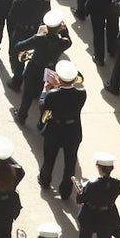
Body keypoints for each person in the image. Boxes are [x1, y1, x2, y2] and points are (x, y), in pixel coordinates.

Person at [37, 59, 87, 200]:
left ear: (58, 78)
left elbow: (42, 106)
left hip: (55, 130)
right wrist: (61, 85)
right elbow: (67, 96)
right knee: (70, 163)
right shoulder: (82, 93)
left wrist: (45, 90)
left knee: (49, 159)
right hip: (73, 131)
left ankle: (45, 181)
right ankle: (66, 191)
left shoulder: (52, 95)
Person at [76, 152, 120, 238]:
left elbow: (80, 200)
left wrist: (80, 192)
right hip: (108, 215)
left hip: (90, 215)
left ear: (100, 168)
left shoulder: (91, 184)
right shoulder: (118, 183)